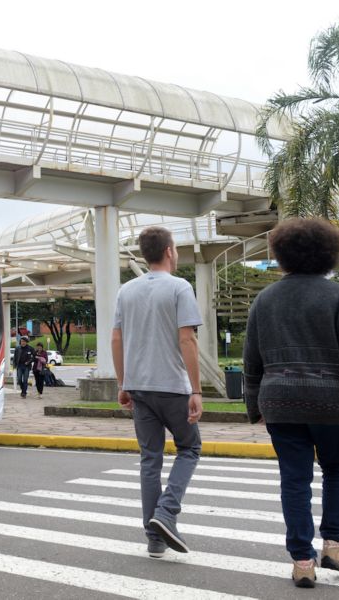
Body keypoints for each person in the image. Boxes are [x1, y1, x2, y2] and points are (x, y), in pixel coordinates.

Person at [243, 217, 339, 589]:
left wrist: (254, 406)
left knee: (294, 479)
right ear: (329, 253)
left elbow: (251, 361)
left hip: (280, 402)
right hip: (333, 405)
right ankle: (335, 546)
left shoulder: (265, 300)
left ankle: (302, 561)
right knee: (338, 469)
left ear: (281, 254)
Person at [112, 226, 203, 559]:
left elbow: (116, 339)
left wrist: (123, 384)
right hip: (173, 387)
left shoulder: (126, 290)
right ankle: (166, 512)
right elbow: (187, 339)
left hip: (139, 387)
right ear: (169, 251)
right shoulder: (180, 287)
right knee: (190, 448)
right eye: (176, 249)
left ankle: (155, 539)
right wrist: (196, 390)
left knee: (150, 459)